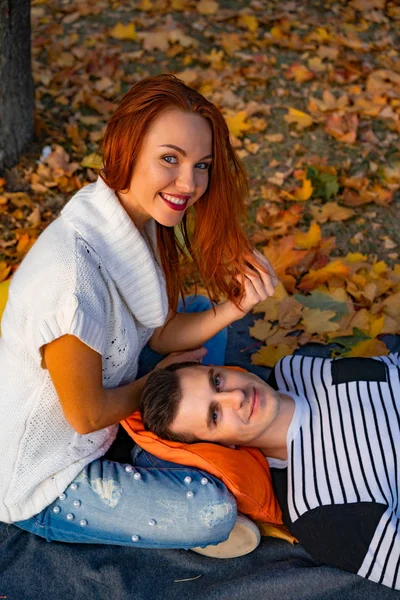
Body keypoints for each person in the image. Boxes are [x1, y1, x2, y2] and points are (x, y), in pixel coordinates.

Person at [0, 74, 278, 553]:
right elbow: (86, 416)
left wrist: (236, 307)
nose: (189, 184)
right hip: (49, 472)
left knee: (196, 313)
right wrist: (157, 384)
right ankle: (178, 446)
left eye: (202, 165)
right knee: (211, 511)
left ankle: (185, 425)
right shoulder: (71, 281)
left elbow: (162, 329)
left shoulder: (135, 218)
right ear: (127, 148)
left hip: (112, 389)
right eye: (170, 159)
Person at [140, 353, 400, 591]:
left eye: (217, 381)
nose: (237, 397)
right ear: (221, 446)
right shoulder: (320, 509)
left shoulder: (292, 369)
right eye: (216, 415)